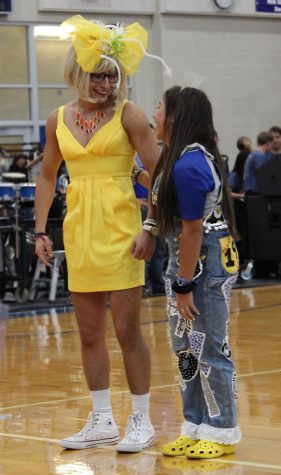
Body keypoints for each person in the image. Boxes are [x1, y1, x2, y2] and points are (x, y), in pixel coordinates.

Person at [34, 15, 162, 452]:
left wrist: (151, 224)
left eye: (112, 76)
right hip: (80, 231)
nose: (105, 84)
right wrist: (39, 230)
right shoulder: (56, 119)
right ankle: (103, 418)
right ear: (78, 73)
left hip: (124, 231)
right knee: (89, 333)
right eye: (98, 75)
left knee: (128, 331)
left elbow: (158, 174)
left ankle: (142, 420)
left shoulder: (131, 114)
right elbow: (48, 176)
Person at [150, 86, 241, 459]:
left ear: (174, 117)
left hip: (202, 265)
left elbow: (192, 229)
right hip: (186, 262)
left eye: (158, 107)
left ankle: (221, 430)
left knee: (210, 348)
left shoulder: (189, 164)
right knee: (185, 349)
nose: (153, 113)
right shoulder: (179, 160)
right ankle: (195, 424)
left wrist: (184, 284)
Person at [133, 153, 166, 297]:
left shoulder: (155, 157)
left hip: (157, 205)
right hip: (139, 207)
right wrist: (134, 200)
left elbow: (159, 181)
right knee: (142, 247)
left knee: (159, 248)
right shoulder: (131, 157)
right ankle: (143, 285)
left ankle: (158, 284)